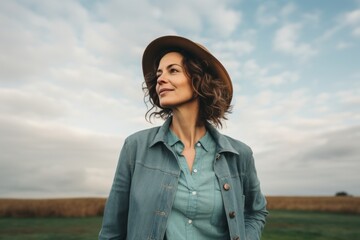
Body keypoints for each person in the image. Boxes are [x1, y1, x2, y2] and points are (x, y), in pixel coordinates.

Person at [99, 35, 268, 240]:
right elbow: (112, 230)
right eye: (159, 73)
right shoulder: (135, 147)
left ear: (199, 80)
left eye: (173, 70)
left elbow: (255, 212)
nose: (160, 78)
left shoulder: (239, 155)